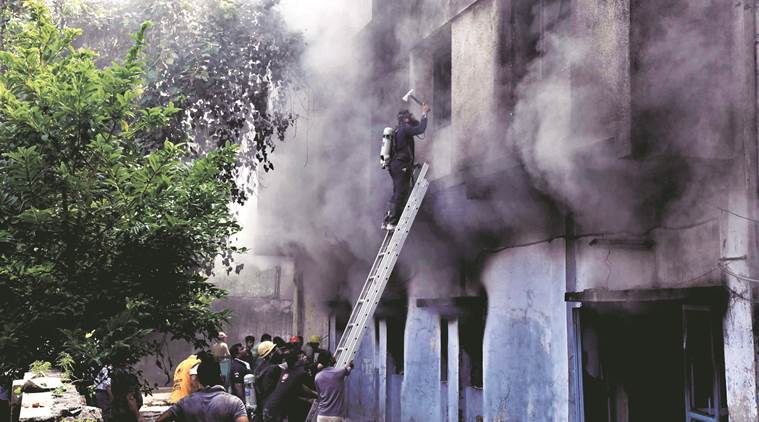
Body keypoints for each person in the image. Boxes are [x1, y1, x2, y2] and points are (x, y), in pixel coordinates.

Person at [155, 353, 247, 422]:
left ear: (198, 379)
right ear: (221, 378)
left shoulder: (184, 403)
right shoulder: (234, 403)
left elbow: (160, 420)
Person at [382, 103, 430, 231]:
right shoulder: (405, 128)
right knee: (401, 193)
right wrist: (424, 114)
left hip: (396, 165)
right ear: (405, 118)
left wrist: (411, 164)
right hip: (401, 166)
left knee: (396, 192)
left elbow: (401, 151)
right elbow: (420, 129)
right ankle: (392, 222)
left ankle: (387, 220)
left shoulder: (398, 130)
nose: (412, 118)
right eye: (410, 116)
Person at [261, 351, 317, 422]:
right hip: (275, 412)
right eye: (301, 357)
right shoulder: (299, 372)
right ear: (296, 362)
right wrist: (316, 395)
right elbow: (302, 389)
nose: (304, 358)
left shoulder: (285, 371)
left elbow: (292, 391)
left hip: (267, 408)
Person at [253, 341, 281, 422]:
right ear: (270, 354)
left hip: (262, 404)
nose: (278, 351)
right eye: (275, 350)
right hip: (272, 404)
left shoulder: (259, 367)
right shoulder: (274, 368)